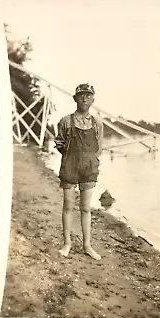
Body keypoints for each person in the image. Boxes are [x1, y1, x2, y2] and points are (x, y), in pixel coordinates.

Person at [54, 83, 103, 260]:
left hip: (89, 168)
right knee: (68, 205)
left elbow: (99, 147)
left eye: (88, 95)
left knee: (85, 208)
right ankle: (67, 243)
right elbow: (59, 143)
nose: (84, 98)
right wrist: (70, 158)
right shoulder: (66, 121)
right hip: (70, 166)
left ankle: (87, 245)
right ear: (75, 98)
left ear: (92, 100)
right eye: (81, 95)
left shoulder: (97, 123)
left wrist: (91, 161)